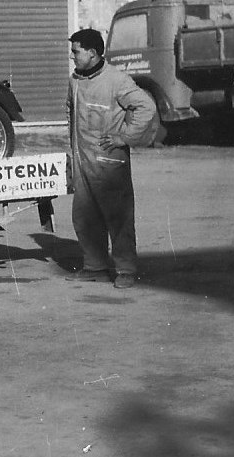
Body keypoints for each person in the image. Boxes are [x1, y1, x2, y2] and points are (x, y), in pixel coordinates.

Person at [65, 27, 159, 290]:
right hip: (83, 160)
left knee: (118, 217)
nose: (72, 57)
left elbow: (146, 107)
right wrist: (70, 154)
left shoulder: (117, 81)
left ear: (92, 53)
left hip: (109, 162)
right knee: (84, 217)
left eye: (76, 52)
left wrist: (125, 137)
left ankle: (126, 270)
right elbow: (70, 116)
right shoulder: (74, 80)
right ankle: (95, 266)